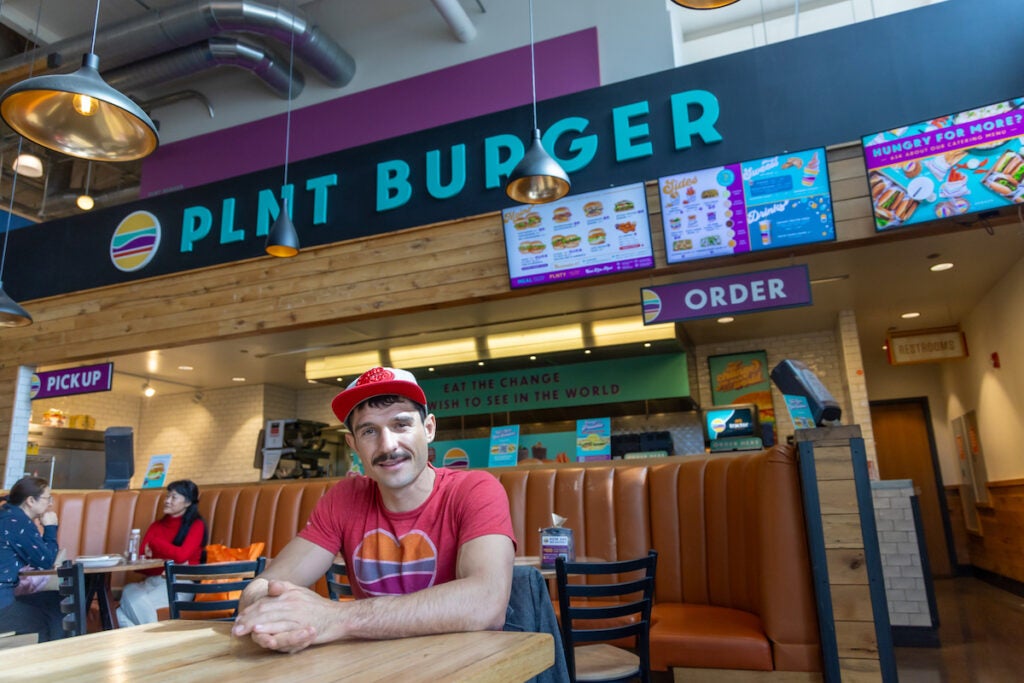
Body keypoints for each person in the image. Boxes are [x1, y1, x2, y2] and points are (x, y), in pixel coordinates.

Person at [233, 366, 516, 653]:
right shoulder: (344, 499)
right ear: (353, 443)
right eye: (369, 431)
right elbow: (265, 585)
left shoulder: (475, 489)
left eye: (401, 425)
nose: (388, 445)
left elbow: (487, 602)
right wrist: (266, 609)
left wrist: (336, 618)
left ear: (428, 429)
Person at [116, 480, 207, 626]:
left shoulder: (196, 525)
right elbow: (140, 563)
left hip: (179, 584)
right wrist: (170, 561)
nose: (167, 501)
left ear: (188, 503)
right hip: (152, 582)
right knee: (128, 590)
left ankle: (150, 642)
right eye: (167, 496)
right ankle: (152, 642)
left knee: (120, 613)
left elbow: (181, 556)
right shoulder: (156, 526)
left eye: (174, 497)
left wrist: (155, 544)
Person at [0, 476, 64, 642]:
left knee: (54, 600)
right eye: (47, 498)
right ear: (30, 501)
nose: (50, 503)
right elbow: (45, 561)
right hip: (2, 603)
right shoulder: (18, 522)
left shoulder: (6, 515)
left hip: (5, 597)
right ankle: (48, 660)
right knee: (49, 617)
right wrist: (50, 527)